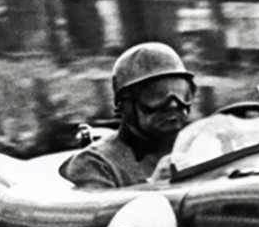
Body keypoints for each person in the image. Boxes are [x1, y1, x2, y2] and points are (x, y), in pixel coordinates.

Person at [60, 41, 194, 188]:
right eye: (155, 95)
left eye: (182, 92)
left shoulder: (199, 145)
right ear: (126, 105)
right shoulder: (94, 164)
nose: (173, 104)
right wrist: (154, 186)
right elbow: (99, 202)